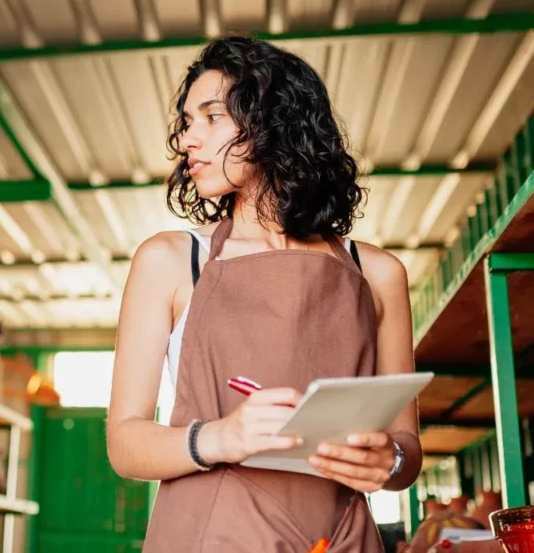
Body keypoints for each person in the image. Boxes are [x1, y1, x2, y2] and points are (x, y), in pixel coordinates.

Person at [106, 36, 423, 552]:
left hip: (342, 538)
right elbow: (125, 442)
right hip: (212, 535)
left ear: (276, 123)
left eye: (211, 118)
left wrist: (386, 459)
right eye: (188, 122)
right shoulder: (170, 261)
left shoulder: (378, 273)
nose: (190, 139)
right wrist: (223, 438)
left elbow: (406, 452)